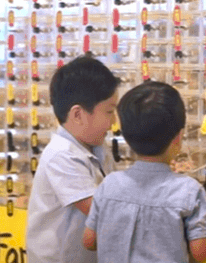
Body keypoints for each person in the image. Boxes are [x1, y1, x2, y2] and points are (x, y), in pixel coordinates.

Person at [83, 81, 206, 263]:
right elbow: (201, 252)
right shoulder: (189, 191)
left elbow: (89, 241)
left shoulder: (109, 184)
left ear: (127, 139)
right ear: (178, 138)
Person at [26, 56, 119, 263]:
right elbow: (100, 211)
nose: (114, 122)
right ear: (77, 115)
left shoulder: (96, 147)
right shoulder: (62, 155)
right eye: (109, 112)